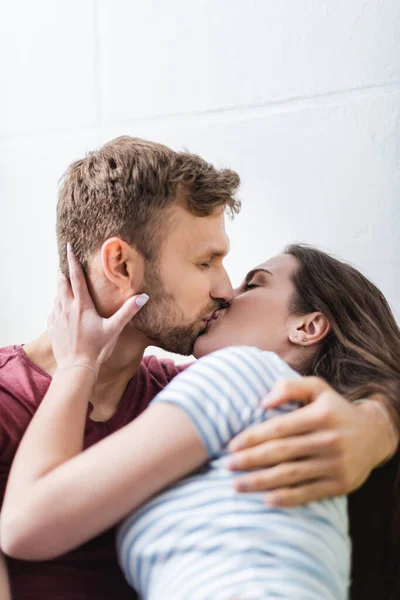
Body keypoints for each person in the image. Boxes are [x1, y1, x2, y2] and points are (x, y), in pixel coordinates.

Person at [2, 244, 400, 599]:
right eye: (203, 262)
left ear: (307, 327)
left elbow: (25, 522)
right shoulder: (308, 433)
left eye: (254, 285)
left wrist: (78, 364)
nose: (227, 293)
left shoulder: (247, 375)